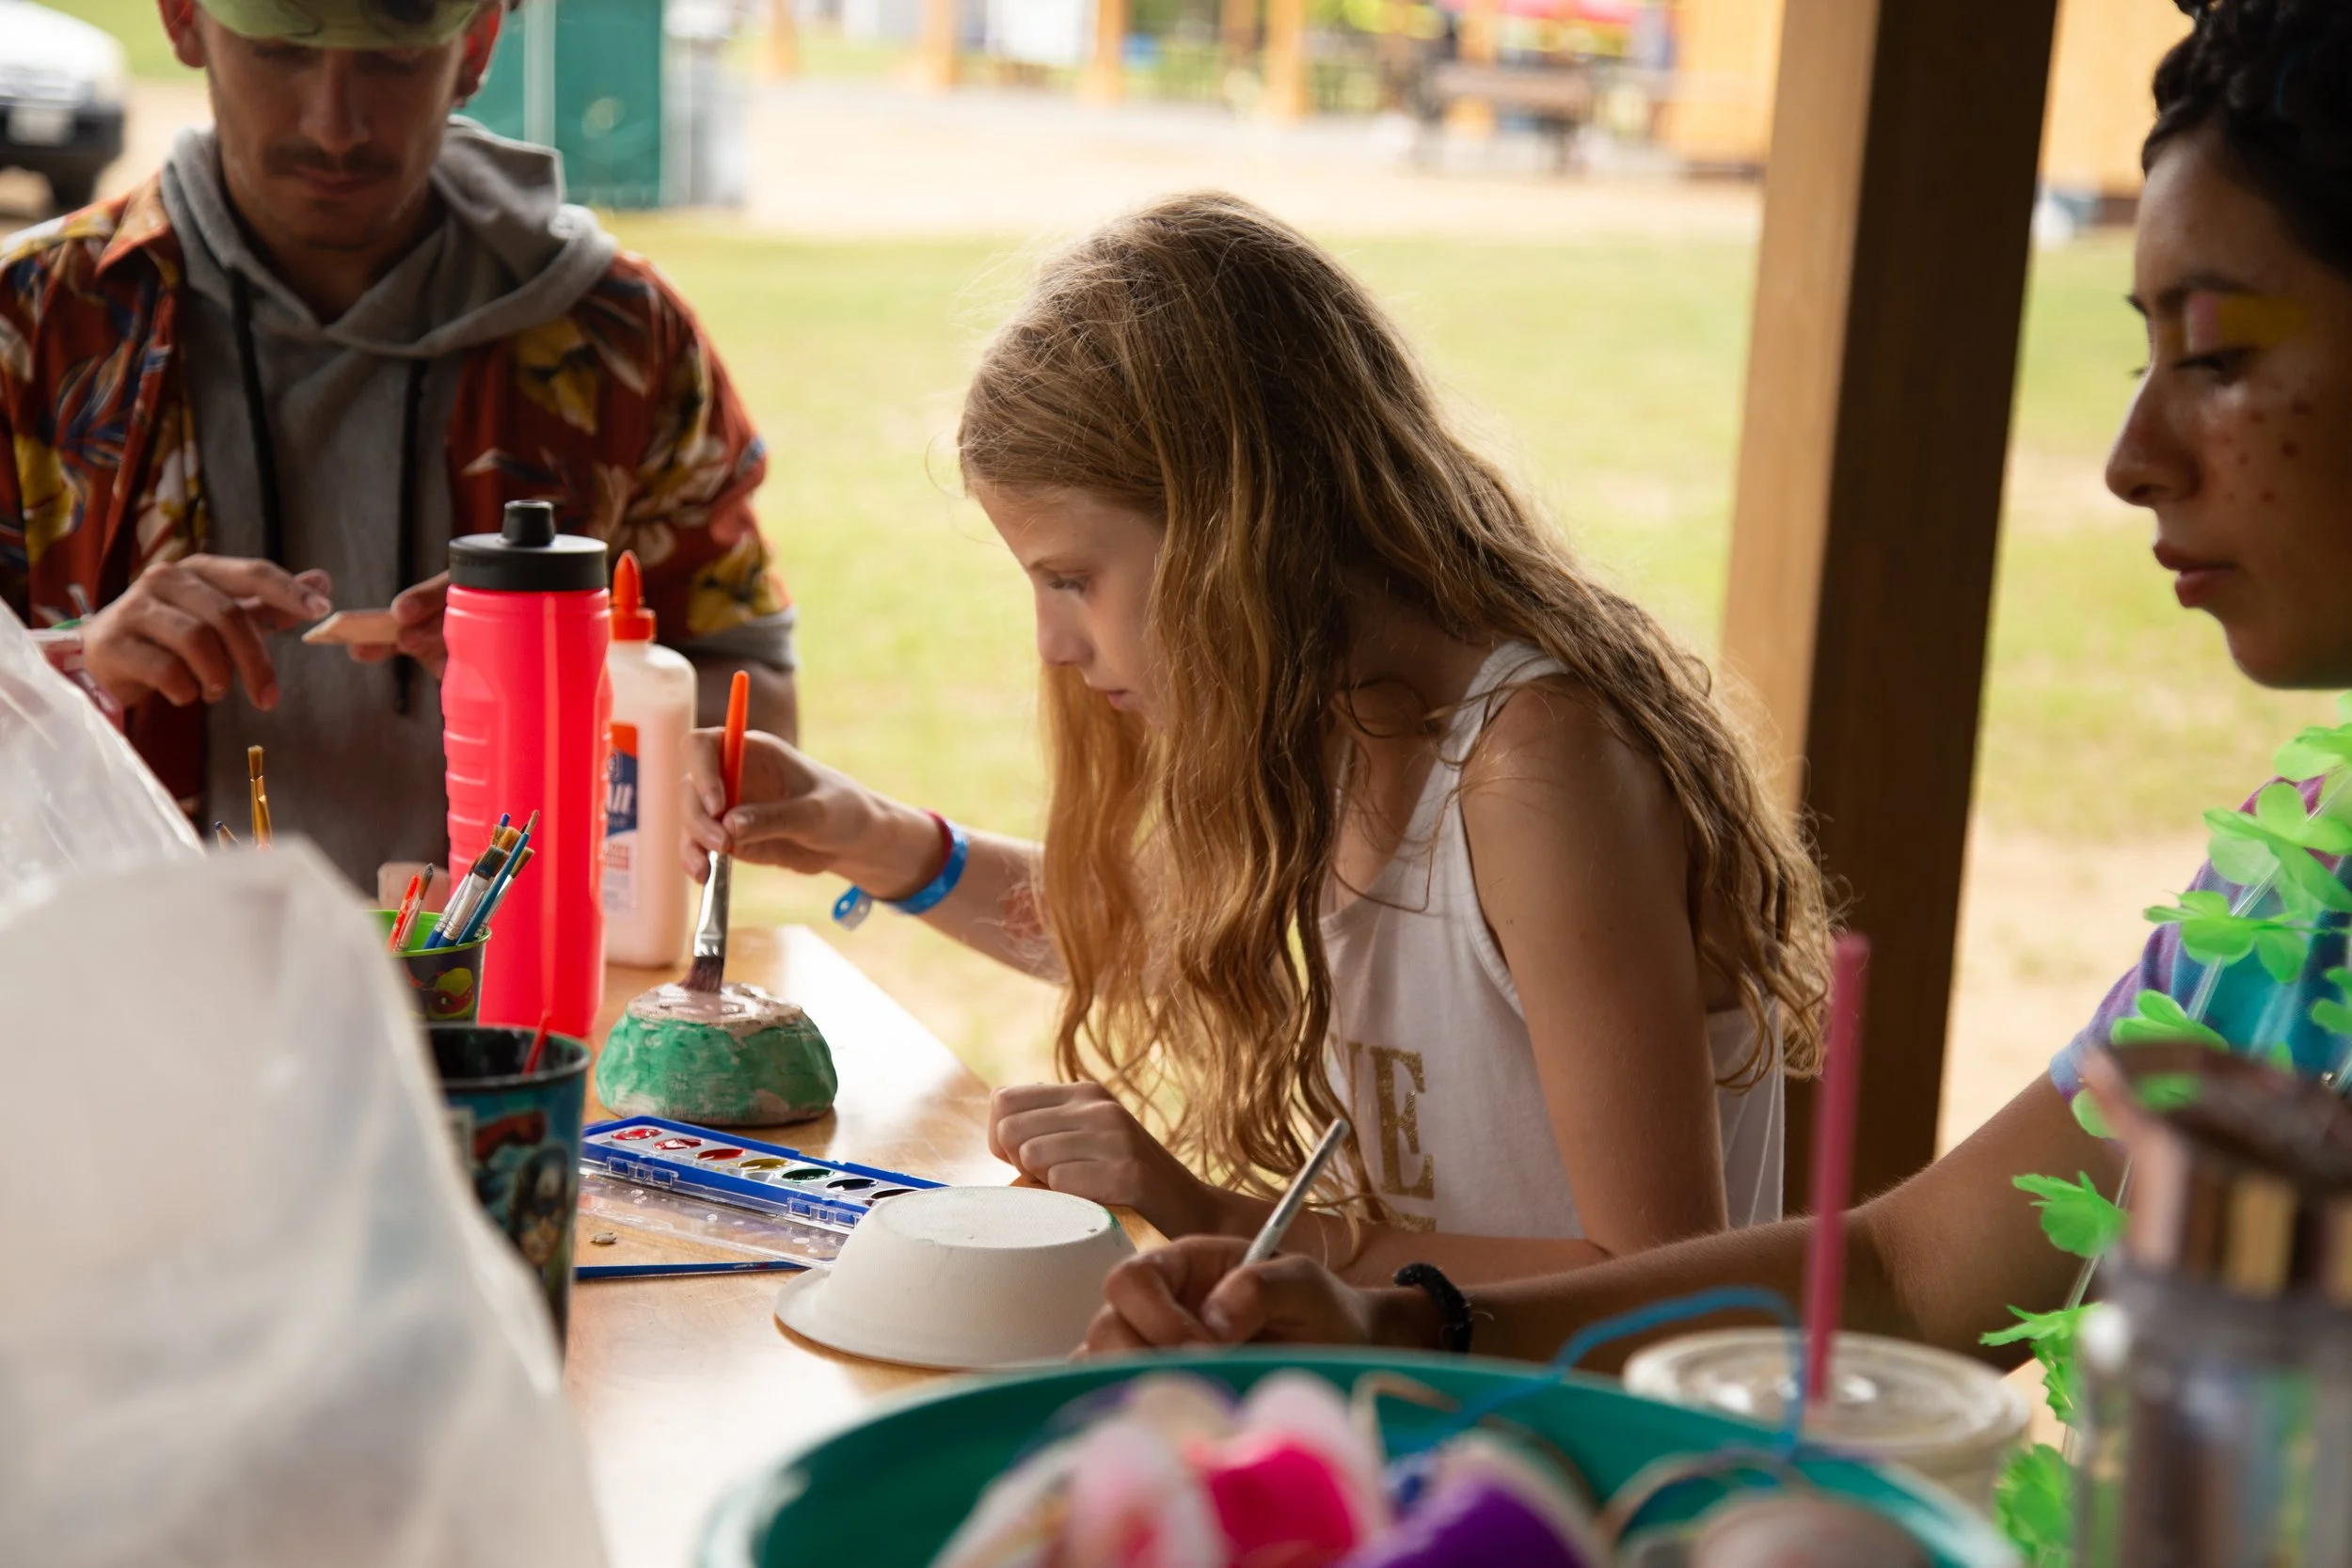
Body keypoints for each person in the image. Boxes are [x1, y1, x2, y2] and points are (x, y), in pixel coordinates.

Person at [1077, 0, 2352, 1360]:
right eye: (2139, 354)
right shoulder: (2295, 891)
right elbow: (1909, 1271)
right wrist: (1392, 1319)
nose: (2129, 452)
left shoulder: (1535, 751)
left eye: (2216, 354)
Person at [683, 192, 1833, 1285]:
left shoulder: (1535, 770)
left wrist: (1218, 1220)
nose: (1051, 642)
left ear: (1240, 527)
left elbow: (1662, 1284)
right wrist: (863, 833)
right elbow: (1149, 932)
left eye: (1073, 578)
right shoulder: (1341, 713)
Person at [0, 0, 798, 890]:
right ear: (185, 21)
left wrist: (579, 682)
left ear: (478, 45)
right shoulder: (36, 321)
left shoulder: (619, 337)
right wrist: (83, 659)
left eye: (393, 63)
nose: (334, 126)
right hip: (131, 991)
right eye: (277, 53)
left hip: (516, 1011)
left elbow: (755, 700)